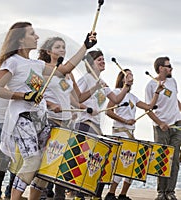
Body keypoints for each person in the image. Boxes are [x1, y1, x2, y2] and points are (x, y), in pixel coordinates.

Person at [0, 21, 97, 200]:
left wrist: (85, 47)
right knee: (32, 160)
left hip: (40, 118)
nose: (37, 37)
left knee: (46, 161)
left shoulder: (37, 64)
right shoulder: (12, 62)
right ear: (20, 40)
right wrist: (24, 96)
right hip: (21, 117)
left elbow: (64, 70)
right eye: (32, 34)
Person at [38, 36, 101, 200]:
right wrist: (51, 105)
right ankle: (42, 193)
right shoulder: (44, 69)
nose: (62, 50)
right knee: (48, 159)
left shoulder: (68, 74)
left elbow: (76, 99)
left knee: (64, 161)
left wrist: (86, 105)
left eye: (63, 47)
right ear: (48, 51)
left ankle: (60, 195)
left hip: (67, 124)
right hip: (51, 121)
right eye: (58, 47)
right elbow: (37, 95)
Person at [74, 50, 133, 200]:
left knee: (98, 158)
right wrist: (86, 108)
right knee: (84, 159)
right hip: (84, 123)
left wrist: (126, 85)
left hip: (95, 124)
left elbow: (116, 99)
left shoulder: (103, 82)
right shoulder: (86, 79)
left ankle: (92, 192)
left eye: (103, 59)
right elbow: (75, 99)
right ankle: (78, 193)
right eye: (98, 59)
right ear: (89, 63)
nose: (102, 61)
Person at [104, 69, 163, 200]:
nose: (131, 77)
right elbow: (108, 111)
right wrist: (125, 121)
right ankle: (111, 194)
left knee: (133, 164)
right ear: (122, 78)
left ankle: (123, 194)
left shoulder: (132, 97)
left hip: (130, 133)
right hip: (120, 132)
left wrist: (157, 91)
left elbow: (149, 106)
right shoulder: (116, 93)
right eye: (128, 75)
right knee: (123, 163)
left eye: (132, 75)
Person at [145, 56, 181, 200]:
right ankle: (161, 192)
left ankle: (170, 192)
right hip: (161, 128)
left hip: (177, 125)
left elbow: (175, 99)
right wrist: (160, 123)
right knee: (162, 159)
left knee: (175, 161)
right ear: (161, 68)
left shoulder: (173, 81)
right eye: (168, 66)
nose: (171, 68)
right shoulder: (150, 85)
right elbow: (148, 110)